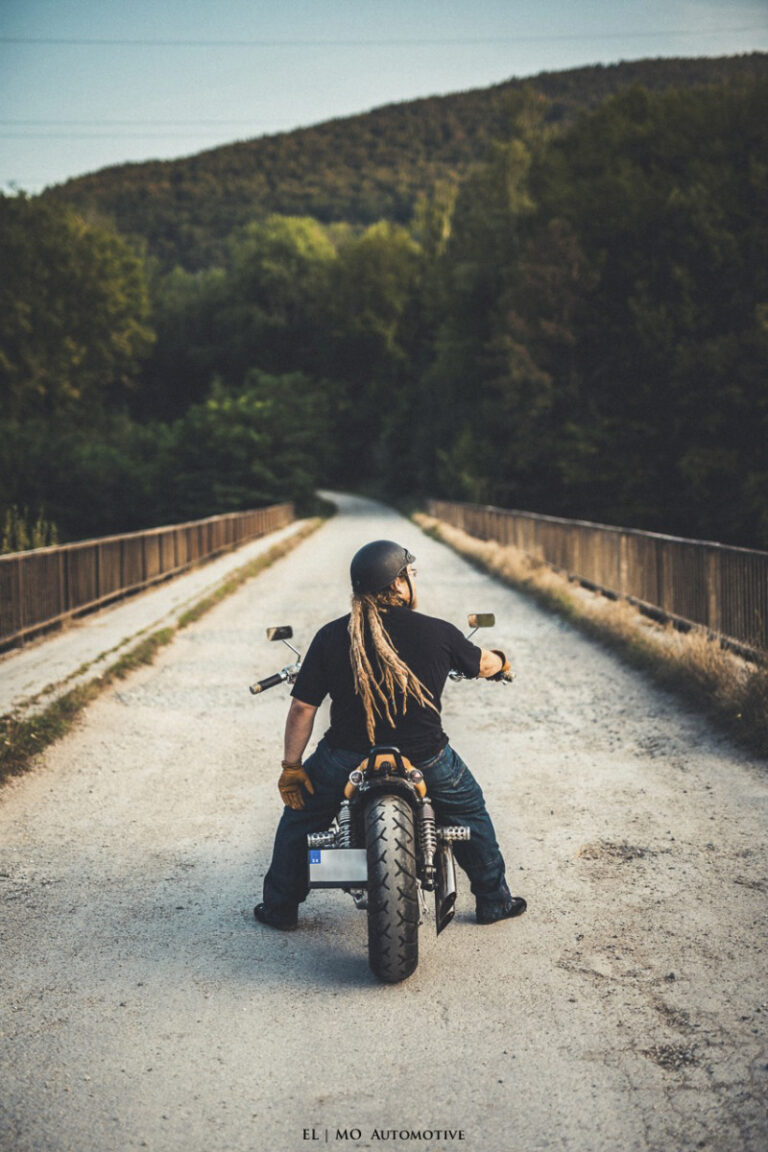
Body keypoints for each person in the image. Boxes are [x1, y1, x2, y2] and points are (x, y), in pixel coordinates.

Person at [254, 539, 527, 930]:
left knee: (301, 816)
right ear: (398, 584)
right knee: (470, 812)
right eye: (412, 574)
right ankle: (493, 900)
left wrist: (291, 766)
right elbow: (482, 663)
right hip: (426, 757)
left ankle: (280, 908)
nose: (415, 581)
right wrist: (500, 661)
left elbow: (302, 708)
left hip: (346, 756)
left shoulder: (332, 636)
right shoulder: (439, 633)